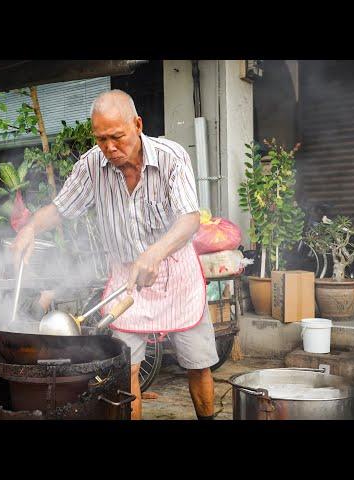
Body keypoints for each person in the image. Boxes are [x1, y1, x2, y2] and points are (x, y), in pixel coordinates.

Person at [12, 89, 219, 420]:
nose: (109, 147)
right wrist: (30, 229)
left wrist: (154, 253)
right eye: (101, 138)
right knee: (127, 371)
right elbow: (60, 209)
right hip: (128, 280)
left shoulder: (171, 157)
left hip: (177, 274)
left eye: (116, 137)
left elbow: (189, 219)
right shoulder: (92, 165)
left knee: (198, 364)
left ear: (137, 124)